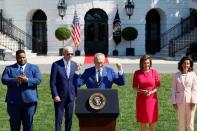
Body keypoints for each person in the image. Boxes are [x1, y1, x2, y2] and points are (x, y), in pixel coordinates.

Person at [1, 49, 42, 131]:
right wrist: (15, 80)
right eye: (20, 58)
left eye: (23, 57)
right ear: (16, 58)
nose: (22, 59)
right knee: (14, 125)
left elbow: (38, 80)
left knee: (28, 125)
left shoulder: (34, 67)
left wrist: (26, 80)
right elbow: (4, 80)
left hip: (29, 102)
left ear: (26, 57)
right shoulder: (9, 68)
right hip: (13, 102)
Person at [50, 46, 78, 131]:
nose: (70, 55)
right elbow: (52, 82)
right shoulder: (56, 65)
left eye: (72, 54)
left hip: (71, 97)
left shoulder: (74, 64)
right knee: (59, 119)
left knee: (69, 119)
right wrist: (55, 95)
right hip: (59, 97)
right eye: (68, 54)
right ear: (63, 54)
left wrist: (76, 95)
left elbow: (75, 81)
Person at [132, 54, 160, 131]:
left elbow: (157, 86)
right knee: (142, 120)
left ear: (150, 63)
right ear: (141, 63)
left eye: (148, 63)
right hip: (141, 99)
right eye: (144, 63)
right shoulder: (137, 73)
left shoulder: (154, 72)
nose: (146, 65)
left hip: (152, 99)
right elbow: (134, 87)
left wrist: (151, 92)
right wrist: (142, 91)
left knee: (152, 120)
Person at [172, 56, 197, 131]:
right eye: (184, 63)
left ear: (190, 65)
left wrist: (194, 101)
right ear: (181, 64)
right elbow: (173, 89)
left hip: (191, 102)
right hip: (179, 102)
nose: (186, 65)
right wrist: (174, 102)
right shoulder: (176, 75)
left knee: (190, 124)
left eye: (188, 63)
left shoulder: (193, 75)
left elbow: (194, 89)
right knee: (181, 123)